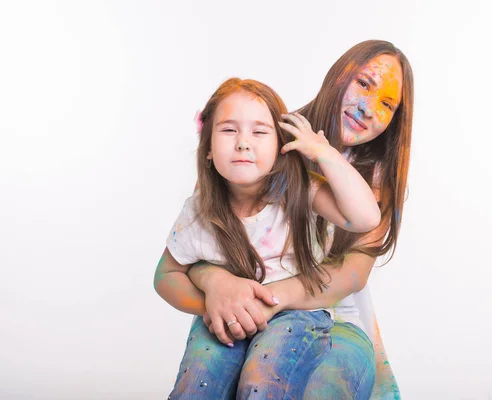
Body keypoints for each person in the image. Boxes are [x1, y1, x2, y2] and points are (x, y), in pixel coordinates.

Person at [165, 39, 413, 399]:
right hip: (238, 303)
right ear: (338, 74)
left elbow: (352, 272)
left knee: (298, 383)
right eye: (363, 84)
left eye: (387, 103)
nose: (367, 108)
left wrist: (267, 299)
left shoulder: (371, 182)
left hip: (325, 315)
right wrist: (216, 280)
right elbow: (208, 231)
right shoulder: (260, 133)